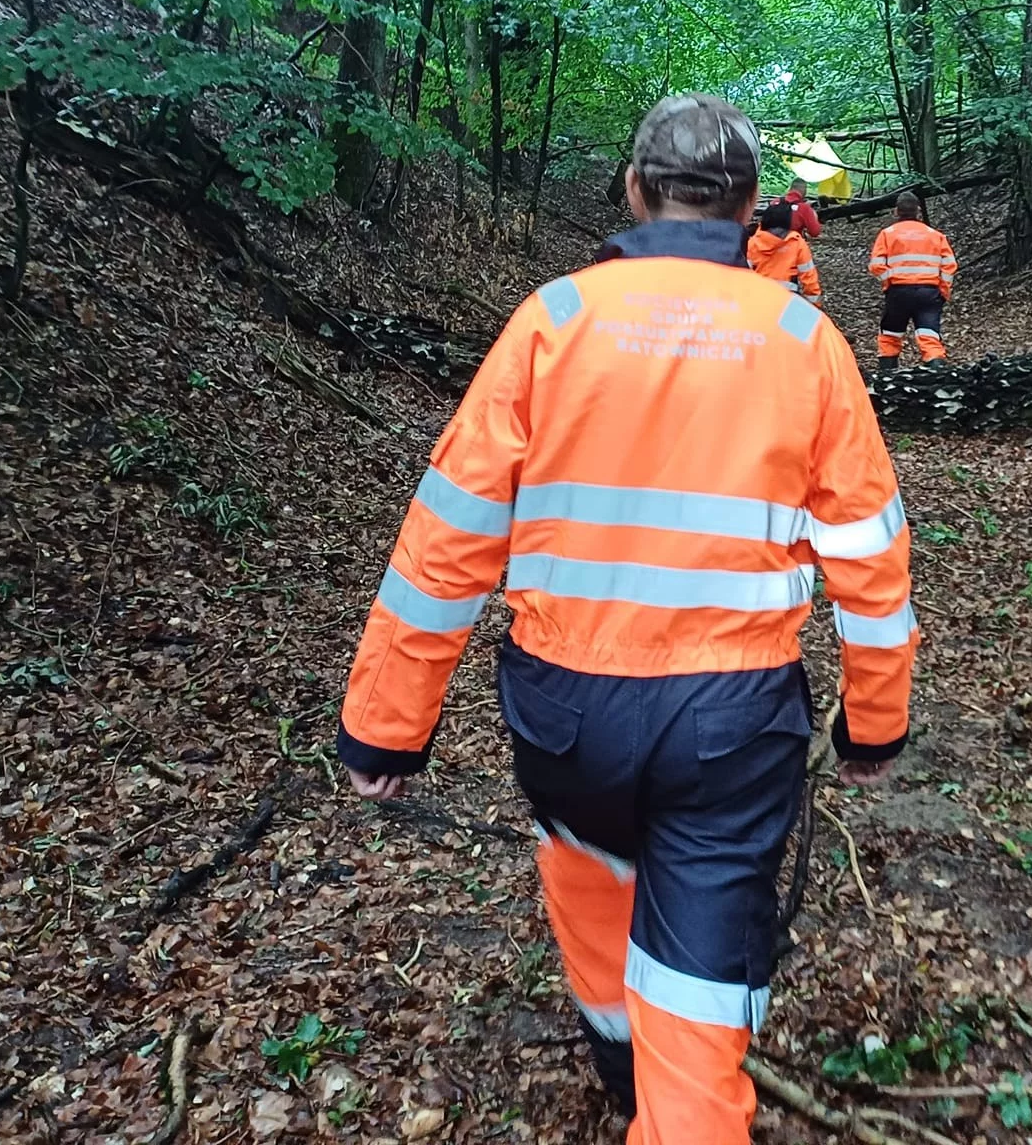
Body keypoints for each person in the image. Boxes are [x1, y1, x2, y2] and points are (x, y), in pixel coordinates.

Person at [336, 93, 919, 1145]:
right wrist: (872, 722)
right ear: (752, 209)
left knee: (592, 862)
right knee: (698, 981)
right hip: (730, 721)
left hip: (566, 711)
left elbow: (445, 546)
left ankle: (618, 1058)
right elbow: (870, 563)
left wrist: (386, 725)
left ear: (634, 190)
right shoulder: (802, 338)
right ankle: (671, 1094)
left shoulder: (551, 321)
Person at [867, 192, 957, 375]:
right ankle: (939, 377)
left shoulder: (887, 234)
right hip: (929, 292)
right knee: (929, 336)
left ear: (896, 212)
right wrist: (943, 292)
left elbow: (876, 265)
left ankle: (887, 378)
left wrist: (888, 282)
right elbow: (949, 266)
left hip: (898, 292)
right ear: (918, 211)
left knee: (891, 334)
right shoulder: (935, 235)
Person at [745, 199, 822, 304]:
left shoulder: (753, 243)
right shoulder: (796, 243)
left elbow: (744, 274)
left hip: (758, 299)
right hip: (787, 300)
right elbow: (809, 278)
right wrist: (814, 306)